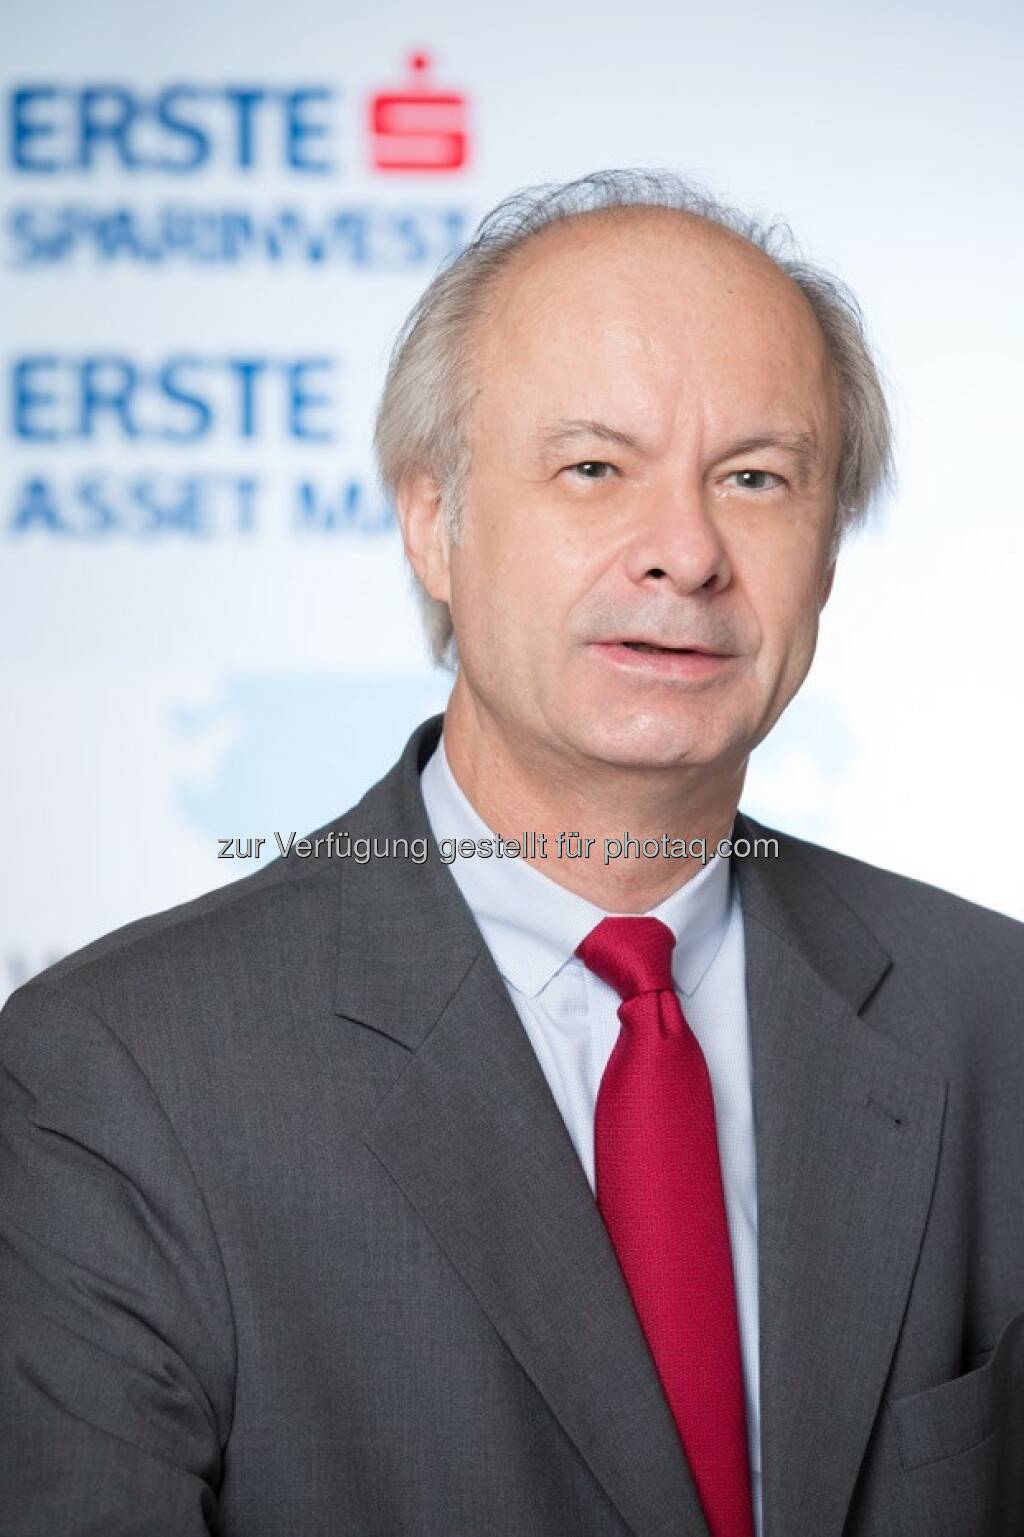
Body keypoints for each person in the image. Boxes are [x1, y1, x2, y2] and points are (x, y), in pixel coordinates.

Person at [1, 169, 1021, 1537]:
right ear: (433, 520)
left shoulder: (996, 1018)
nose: (687, 553)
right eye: (594, 467)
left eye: (756, 478)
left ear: (828, 553)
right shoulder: (123, 1073)